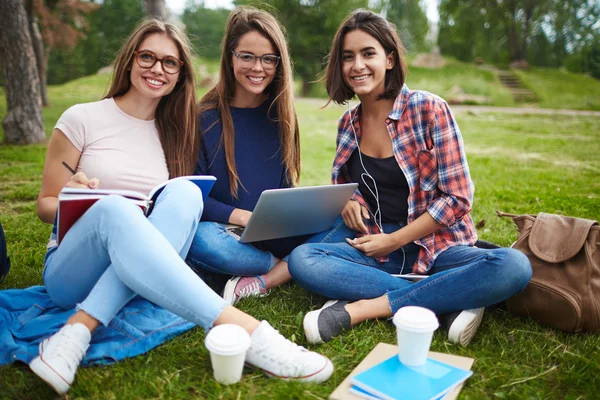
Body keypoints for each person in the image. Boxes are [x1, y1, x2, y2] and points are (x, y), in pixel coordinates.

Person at [29, 19, 332, 395]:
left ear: (179, 75)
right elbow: (44, 205)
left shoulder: (174, 130)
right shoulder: (82, 118)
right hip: (73, 267)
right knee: (116, 209)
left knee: (186, 193)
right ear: (129, 60)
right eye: (148, 57)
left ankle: (78, 329)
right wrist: (72, 198)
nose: (157, 69)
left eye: (169, 63)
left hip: (142, 270)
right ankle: (248, 331)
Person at [287, 9, 532, 347]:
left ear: (389, 58)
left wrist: (395, 239)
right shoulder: (349, 123)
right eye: (348, 57)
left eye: (367, 53)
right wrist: (351, 201)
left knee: (514, 266)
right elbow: (351, 184)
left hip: (437, 247)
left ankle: (365, 307)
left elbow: (458, 198)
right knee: (303, 260)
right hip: (377, 244)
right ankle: (447, 299)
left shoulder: (429, 109)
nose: (357, 65)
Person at [186, 7, 303, 305]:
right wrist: (242, 217)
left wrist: (297, 213)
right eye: (247, 56)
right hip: (225, 233)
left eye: (268, 59)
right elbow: (192, 196)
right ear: (230, 57)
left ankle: (270, 274)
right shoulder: (203, 118)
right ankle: (291, 266)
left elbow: (284, 187)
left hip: (270, 231)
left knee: (340, 224)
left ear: (279, 64)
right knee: (202, 242)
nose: (258, 67)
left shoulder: (281, 116)